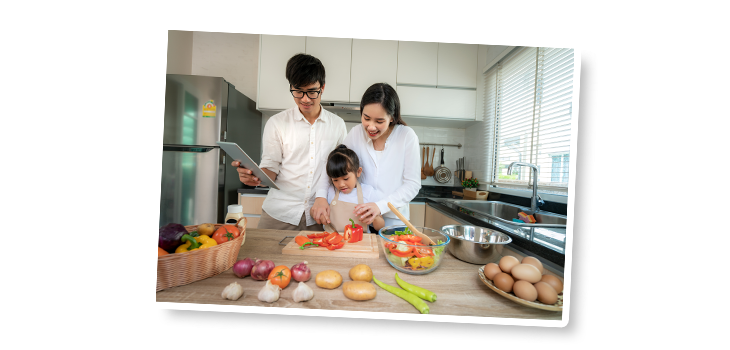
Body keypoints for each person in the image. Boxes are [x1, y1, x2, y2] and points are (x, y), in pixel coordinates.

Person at [232, 53, 347, 230]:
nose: (305, 99)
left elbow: (338, 170)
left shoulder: (337, 125)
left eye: (311, 92)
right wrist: (256, 177)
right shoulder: (277, 123)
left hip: (320, 216)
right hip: (279, 213)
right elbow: (271, 168)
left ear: (322, 87)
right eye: (298, 91)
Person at [311, 83, 421, 230]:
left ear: (392, 118)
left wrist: (379, 206)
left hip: (395, 222)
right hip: (362, 222)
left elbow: (412, 184)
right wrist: (321, 197)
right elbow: (334, 163)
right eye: (366, 118)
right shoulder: (356, 133)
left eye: (379, 121)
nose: (371, 127)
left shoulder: (407, 136)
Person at [323, 144, 385, 233]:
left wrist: (374, 218)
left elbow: (380, 227)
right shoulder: (330, 191)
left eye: (346, 179)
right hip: (334, 241)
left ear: (358, 172)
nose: (341, 184)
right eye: (335, 180)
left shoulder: (368, 192)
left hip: (360, 242)